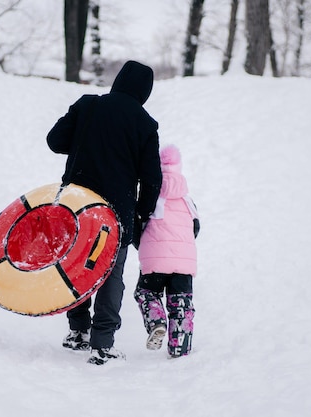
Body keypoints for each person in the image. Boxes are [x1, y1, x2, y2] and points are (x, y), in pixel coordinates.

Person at [46, 61, 162, 365]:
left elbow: (55, 141)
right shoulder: (145, 124)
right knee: (112, 275)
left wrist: (86, 140)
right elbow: (151, 179)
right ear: (145, 92)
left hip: (77, 205)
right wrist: (141, 215)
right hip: (117, 211)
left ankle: (77, 332)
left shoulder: (87, 105)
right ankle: (103, 343)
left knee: (77, 265)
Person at [134, 144, 199, 358]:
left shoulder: (151, 197)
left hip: (155, 261)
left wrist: (142, 245)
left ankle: (157, 321)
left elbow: (137, 226)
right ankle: (180, 348)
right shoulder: (187, 200)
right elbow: (195, 228)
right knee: (181, 304)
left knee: (146, 293)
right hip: (184, 263)